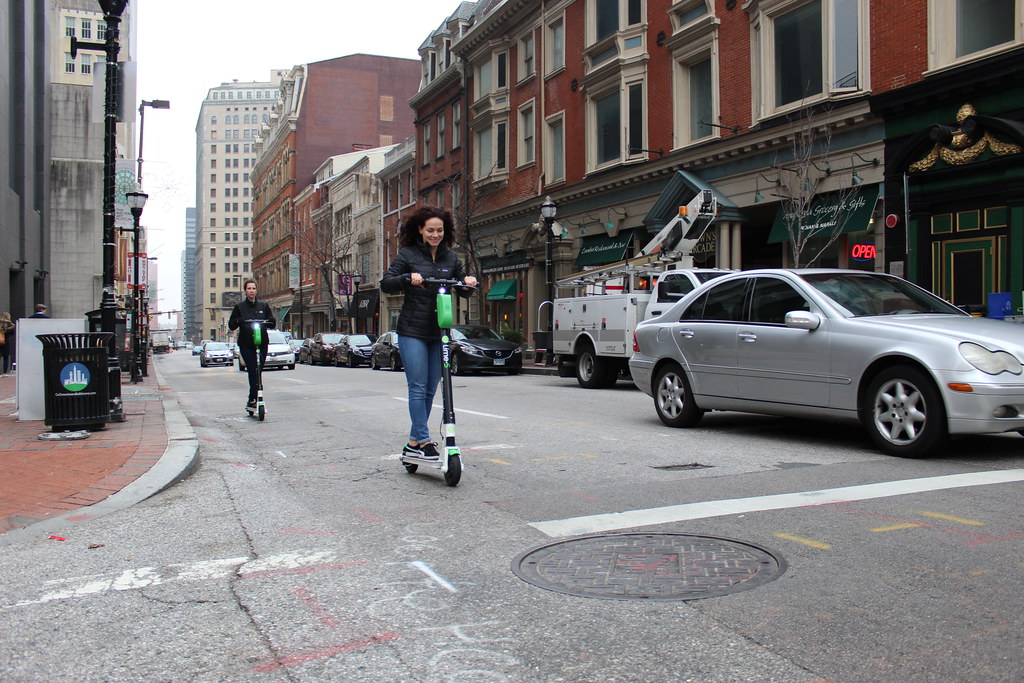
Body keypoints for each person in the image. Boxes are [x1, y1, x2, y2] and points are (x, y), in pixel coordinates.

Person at [380, 206, 477, 459]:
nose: (435, 235)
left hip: (440, 331)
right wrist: (406, 278)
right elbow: (386, 283)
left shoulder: (451, 258)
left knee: (431, 388)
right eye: (431, 230)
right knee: (418, 385)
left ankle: (413, 441)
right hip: (412, 330)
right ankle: (423, 440)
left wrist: (468, 283)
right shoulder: (408, 255)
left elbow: (463, 288)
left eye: (440, 230)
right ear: (421, 230)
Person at [228, 279, 276, 410]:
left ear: (256, 290)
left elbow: (272, 322)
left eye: (253, 288)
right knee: (253, 370)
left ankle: (253, 398)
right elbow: (231, 324)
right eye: (249, 288)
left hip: (261, 342)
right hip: (246, 343)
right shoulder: (239, 307)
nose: (251, 291)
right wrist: (239, 320)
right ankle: (254, 398)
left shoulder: (263, 306)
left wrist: (270, 321)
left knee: (258, 370)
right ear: (245, 291)